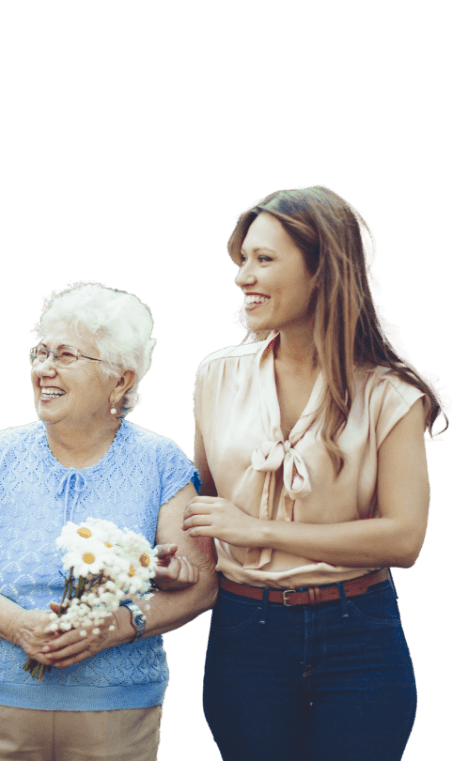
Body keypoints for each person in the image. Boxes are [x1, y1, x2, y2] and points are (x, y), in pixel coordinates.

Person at [184, 185, 449, 761]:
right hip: (243, 633)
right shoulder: (215, 376)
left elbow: (403, 539)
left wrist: (260, 530)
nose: (242, 277)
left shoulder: (390, 394)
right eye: (242, 260)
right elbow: (199, 505)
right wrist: (167, 560)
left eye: (264, 260)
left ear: (322, 270)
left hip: (360, 636)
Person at [0, 282, 218, 761]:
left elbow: (202, 585)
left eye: (67, 355)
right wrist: (18, 626)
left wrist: (117, 626)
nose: (43, 369)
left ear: (121, 380)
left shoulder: (162, 461)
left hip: (116, 715)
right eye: (41, 352)